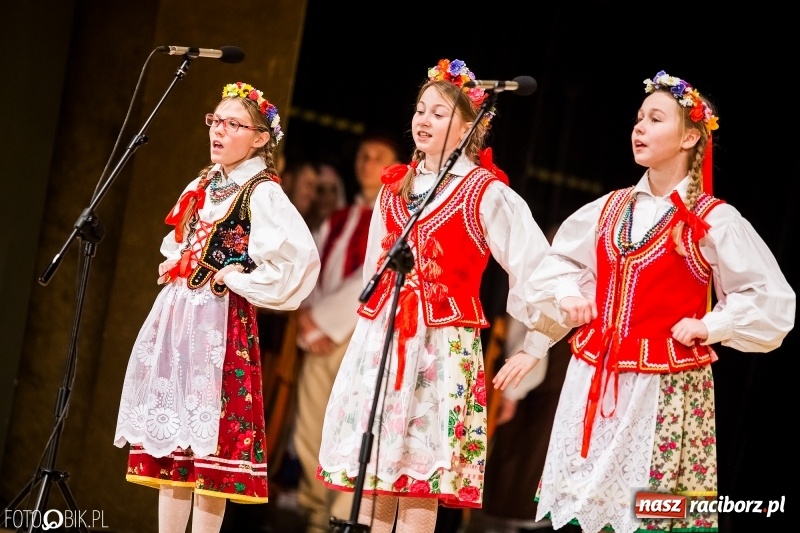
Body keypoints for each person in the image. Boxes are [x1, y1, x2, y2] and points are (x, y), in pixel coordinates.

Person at [493, 70, 796, 533]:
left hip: (664, 387)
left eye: (655, 119)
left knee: (649, 513)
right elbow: (561, 273)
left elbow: (770, 299)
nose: (639, 128)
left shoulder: (713, 219)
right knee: (581, 511)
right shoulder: (609, 208)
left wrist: (711, 326)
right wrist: (537, 343)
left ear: (691, 135)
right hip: (595, 374)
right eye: (638, 118)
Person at [316, 58, 552, 533]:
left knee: (418, 481)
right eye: (420, 110)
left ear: (470, 125)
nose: (423, 120)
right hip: (385, 341)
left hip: (439, 345)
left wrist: (535, 344)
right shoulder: (394, 189)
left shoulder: (485, 193)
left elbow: (538, 270)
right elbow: (373, 273)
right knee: (377, 473)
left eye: (439, 113)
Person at [114, 81, 321, 533]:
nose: (219, 131)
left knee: (210, 456)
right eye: (215, 121)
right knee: (175, 449)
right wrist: (174, 263)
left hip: (219, 325)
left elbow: (300, 259)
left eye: (233, 124)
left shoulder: (261, 192)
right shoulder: (204, 181)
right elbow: (180, 238)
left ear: (261, 138)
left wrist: (240, 278)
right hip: (179, 317)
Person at [293, 132, 403, 533]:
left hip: (356, 337)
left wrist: (325, 320)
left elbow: (376, 275)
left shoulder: (396, 217)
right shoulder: (338, 218)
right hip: (318, 334)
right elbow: (312, 268)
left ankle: (339, 519)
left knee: (350, 431)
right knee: (309, 430)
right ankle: (313, 513)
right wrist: (306, 319)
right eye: (362, 155)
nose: (367, 162)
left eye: (377, 156)